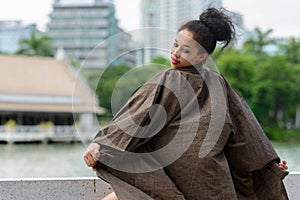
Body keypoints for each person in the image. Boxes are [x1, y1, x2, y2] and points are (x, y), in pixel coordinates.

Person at [84, 7, 289, 200]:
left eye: (186, 50)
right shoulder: (219, 82)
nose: (175, 53)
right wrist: (266, 170)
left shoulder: (171, 79)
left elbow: (138, 116)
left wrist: (102, 145)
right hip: (216, 188)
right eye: (175, 44)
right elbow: (246, 135)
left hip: (182, 184)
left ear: (202, 56)